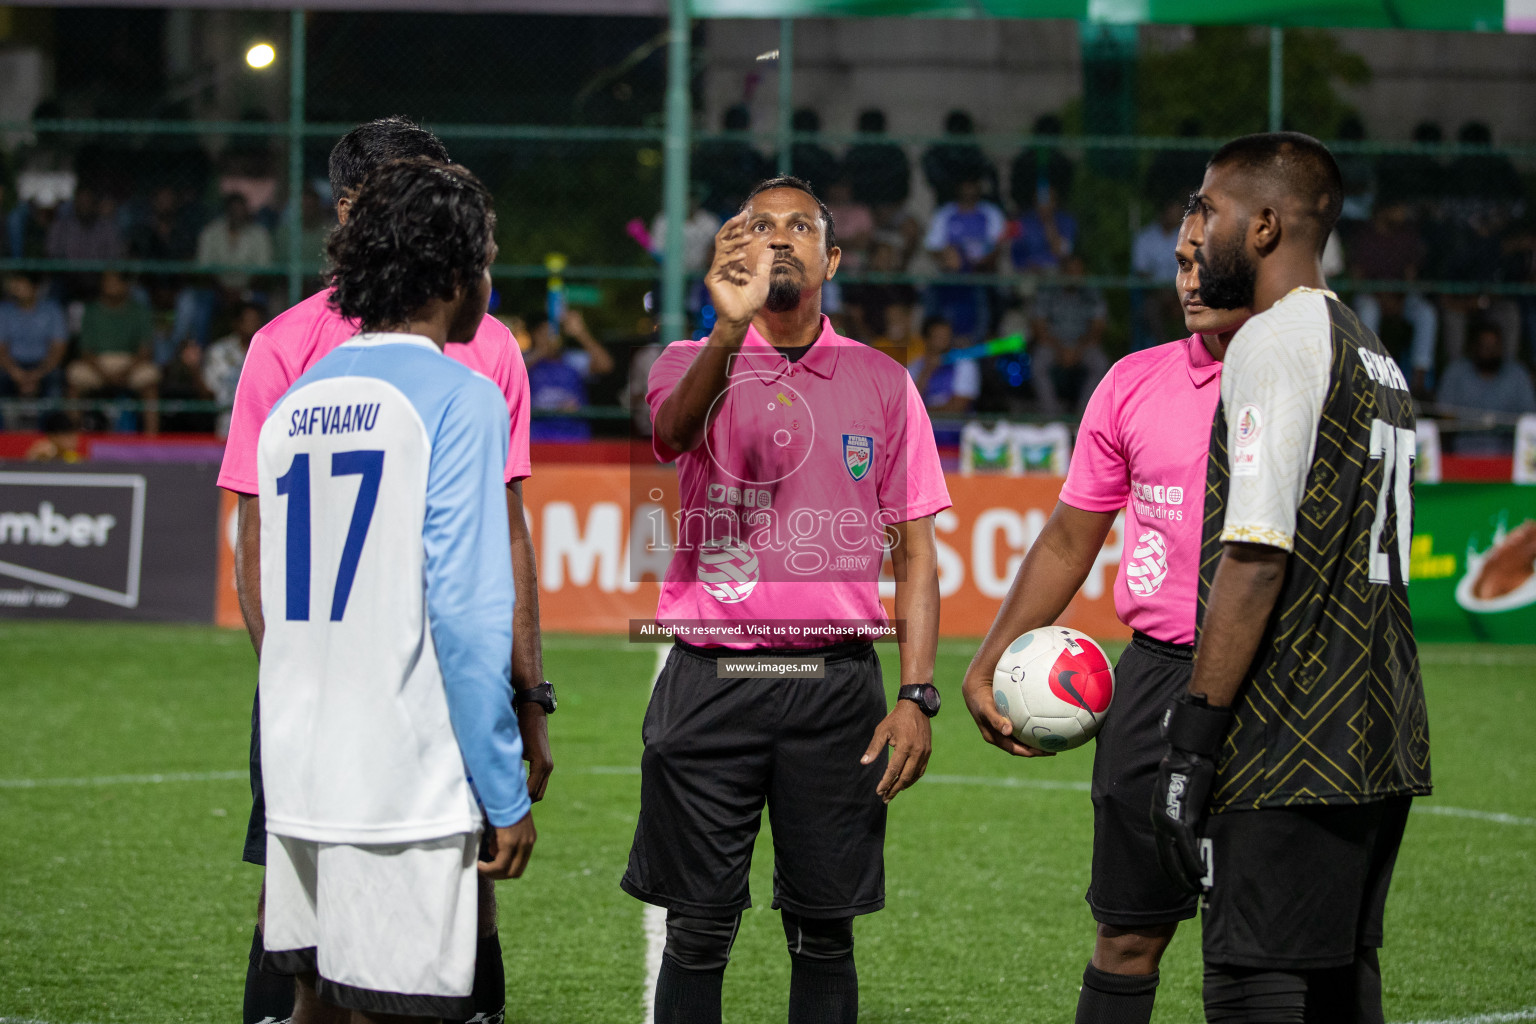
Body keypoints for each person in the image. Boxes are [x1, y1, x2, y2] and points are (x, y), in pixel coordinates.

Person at [219, 116, 552, 1024]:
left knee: (313, 1001)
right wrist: (503, 787)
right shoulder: (461, 397)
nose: (490, 280)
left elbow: (263, 569)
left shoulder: (299, 402)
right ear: (454, 275)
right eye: (484, 261)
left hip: (301, 753)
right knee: (396, 1006)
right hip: (404, 769)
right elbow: (466, 609)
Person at [628, 175, 950, 1024]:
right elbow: (670, 435)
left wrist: (917, 692)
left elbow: (917, 550)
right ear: (730, 251)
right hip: (712, 679)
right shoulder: (681, 362)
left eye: (799, 227)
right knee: (697, 931)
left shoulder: (884, 381)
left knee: (825, 934)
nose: (778, 239)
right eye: (758, 226)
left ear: (830, 258)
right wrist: (728, 330)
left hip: (838, 688)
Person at [1155, 132, 1431, 1021]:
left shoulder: (1272, 343)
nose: (1192, 231)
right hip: (1377, 726)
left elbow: (1256, 553)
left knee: (1252, 979)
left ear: (1265, 225)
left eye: (1207, 206)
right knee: (1339, 978)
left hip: (1292, 735)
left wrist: (1194, 738)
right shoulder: (1368, 346)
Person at [962, 212, 1250, 1024]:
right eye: (1180, 262)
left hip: (1278, 683)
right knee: (1127, 935)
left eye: (1206, 261)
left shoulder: (1304, 380)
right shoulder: (1132, 382)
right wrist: (990, 658)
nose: (1189, 279)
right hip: (1156, 677)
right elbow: (1066, 539)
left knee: (1261, 947)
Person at [65, 270, 161, 434]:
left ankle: (152, 438)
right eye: (106, 282)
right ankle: (72, 436)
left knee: (150, 378)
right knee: (74, 377)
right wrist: (105, 374)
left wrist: (125, 371)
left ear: (125, 286)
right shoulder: (91, 310)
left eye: (114, 282)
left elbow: (145, 351)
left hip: (130, 363)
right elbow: (86, 352)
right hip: (98, 364)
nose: (109, 286)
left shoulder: (139, 310)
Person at [923, 177, 1006, 342]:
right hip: (944, 343)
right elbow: (931, 318)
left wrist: (972, 339)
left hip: (982, 275)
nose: (968, 197)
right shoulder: (946, 213)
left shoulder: (990, 213)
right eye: (964, 193)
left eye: (972, 193)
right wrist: (948, 257)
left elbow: (998, 247)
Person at [1435, 320, 1536, 455]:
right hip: (1462, 456)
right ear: (1473, 347)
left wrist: (1502, 425)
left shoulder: (1517, 375)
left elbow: (1529, 419)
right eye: (1484, 345)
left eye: (1494, 345)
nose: (1489, 351)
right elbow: (1444, 418)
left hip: (1508, 458)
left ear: (1502, 347)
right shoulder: (1455, 372)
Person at [1029, 254, 1109, 415]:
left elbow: (1098, 328)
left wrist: (1077, 350)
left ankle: (1084, 415)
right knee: (1037, 364)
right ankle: (1051, 415)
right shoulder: (1049, 290)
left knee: (1100, 364)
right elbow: (1038, 325)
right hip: (1053, 344)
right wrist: (1060, 349)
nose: (1074, 274)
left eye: (1078, 270)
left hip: (1082, 345)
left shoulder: (1091, 292)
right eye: (1070, 270)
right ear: (1063, 271)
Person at [524, 309, 616, 441]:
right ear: (533, 334)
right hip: (537, 440)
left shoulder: (572, 359)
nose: (549, 338)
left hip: (574, 440)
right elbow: (509, 375)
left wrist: (581, 333)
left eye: (552, 333)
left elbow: (606, 365)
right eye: (542, 333)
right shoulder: (525, 360)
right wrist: (541, 352)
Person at [0, 272, 69, 409]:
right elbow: (1, 349)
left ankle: (50, 428)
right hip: (12, 367)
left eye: (22, 284)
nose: (17, 288)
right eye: (16, 284)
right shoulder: (4, 311)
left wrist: (37, 374)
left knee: (56, 382)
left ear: (35, 287)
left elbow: (58, 350)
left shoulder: (52, 310)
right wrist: (16, 372)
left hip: (44, 367)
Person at [1129, 199, 1185, 351]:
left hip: (1179, 293)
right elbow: (1140, 272)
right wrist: (1160, 290)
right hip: (1153, 294)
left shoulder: (1184, 237)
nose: (1178, 215)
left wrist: (1175, 293)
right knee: (1151, 310)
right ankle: (1165, 349)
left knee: (1193, 306)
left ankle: (1187, 349)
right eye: (1174, 211)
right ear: (1164, 212)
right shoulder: (1145, 238)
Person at [196, 192, 274, 296]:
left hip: (250, 289)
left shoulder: (259, 234)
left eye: (240, 209)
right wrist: (223, 291)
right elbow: (204, 268)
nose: (237, 214)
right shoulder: (210, 232)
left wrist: (242, 292)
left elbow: (263, 270)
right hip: (216, 290)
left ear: (247, 210)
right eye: (233, 209)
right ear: (226, 211)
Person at [204, 301, 263, 437]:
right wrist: (193, 369)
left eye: (255, 320)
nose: (252, 325)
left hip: (260, 429)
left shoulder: (268, 350)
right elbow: (208, 392)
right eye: (248, 321)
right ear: (236, 323)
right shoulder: (219, 351)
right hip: (227, 428)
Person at [908, 316, 980, 414]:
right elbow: (908, 406)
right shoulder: (914, 367)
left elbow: (958, 407)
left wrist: (922, 413)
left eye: (947, 337)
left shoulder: (965, 364)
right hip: (922, 427)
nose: (944, 342)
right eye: (938, 337)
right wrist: (926, 372)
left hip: (956, 428)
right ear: (926, 339)